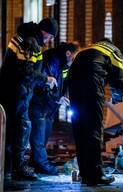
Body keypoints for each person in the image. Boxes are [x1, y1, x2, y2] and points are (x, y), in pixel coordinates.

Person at [0, 17, 58, 180]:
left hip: (9, 91)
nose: (49, 41)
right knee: (22, 128)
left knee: (11, 129)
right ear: (45, 32)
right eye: (51, 37)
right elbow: (28, 73)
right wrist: (46, 79)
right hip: (18, 94)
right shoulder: (32, 43)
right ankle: (18, 169)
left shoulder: (22, 37)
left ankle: (8, 167)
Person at [67, 38, 123, 186]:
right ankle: (96, 175)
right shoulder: (114, 51)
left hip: (73, 85)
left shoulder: (85, 50)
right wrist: (117, 98)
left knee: (80, 129)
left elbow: (70, 72)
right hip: (91, 85)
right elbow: (119, 77)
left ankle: (85, 173)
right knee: (94, 129)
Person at [29, 42, 78, 175]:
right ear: (68, 53)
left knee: (43, 134)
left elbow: (62, 83)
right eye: (73, 58)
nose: (73, 61)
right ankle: (41, 165)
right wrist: (58, 98)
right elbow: (45, 85)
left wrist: (62, 96)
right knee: (39, 135)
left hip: (49, 106)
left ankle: (36, 162)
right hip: (40, 103)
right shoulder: (52, 60)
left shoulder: (63, 64)